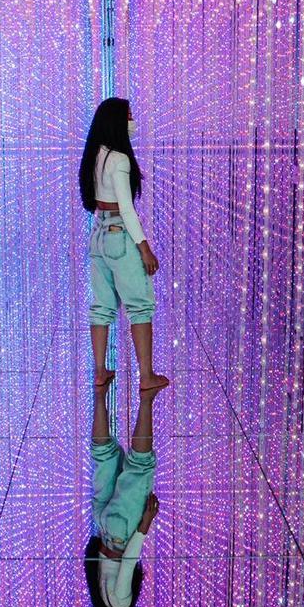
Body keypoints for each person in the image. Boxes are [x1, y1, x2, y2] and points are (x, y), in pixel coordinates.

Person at [79, 97, 169, 392]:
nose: (133, 121)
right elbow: (127, 208)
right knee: (140, 306)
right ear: (116, 121)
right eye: (129, 116)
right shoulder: (119, 159)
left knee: (102, 307)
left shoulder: (95, 154)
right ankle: (146, 375)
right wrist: (144, 247)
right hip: (119, 233)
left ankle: (100, 371)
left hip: (98, 234)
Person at [84, 375, 162, 607]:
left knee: (140, 466)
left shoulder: (119, 603)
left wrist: (143, 527)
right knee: (103, 456)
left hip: (123, 531)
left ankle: (147, 398)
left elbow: (128, 564)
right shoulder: (99, 597)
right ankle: (99, 393)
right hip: (102, 525)